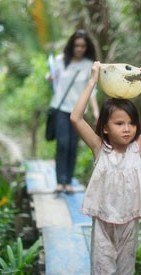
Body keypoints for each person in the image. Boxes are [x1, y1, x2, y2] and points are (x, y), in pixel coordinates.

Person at [70, 61, 141, 274]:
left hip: (129, 224)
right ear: (105, 128)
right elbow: (75, 118)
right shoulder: (99, 148)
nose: (127, 129)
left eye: (132, 123)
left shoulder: (137, 148)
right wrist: (92, 81)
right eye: (119, 123)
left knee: (126, 271)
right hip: (104, 225)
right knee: (102, 270)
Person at [46, 29, 99, 194]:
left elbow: (92, 91)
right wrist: (49, 77)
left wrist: (96, 112)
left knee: (72, 146)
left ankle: (68, 182)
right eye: (76, 45)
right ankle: (59, 182)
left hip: (78, 112)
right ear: (71, 45)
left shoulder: (89, 64)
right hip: (61, 108)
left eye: (83, 46)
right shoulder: (61, 60)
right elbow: (52, 76)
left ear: (86, 47)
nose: (79, 49)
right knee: (62, 144)